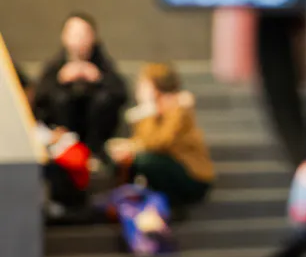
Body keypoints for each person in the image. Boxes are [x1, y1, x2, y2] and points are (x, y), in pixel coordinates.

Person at [107, 63, 215, 208]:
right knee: (122, 158)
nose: (138, 89)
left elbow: (160, 142)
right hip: (169, 165)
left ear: (155, 88)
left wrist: (150, 111)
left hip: (192, 175)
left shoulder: (178, 108)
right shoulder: (153, 110)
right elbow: (141, 140)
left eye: (143, 85)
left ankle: (171, 205)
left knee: (145, 161)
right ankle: (130, 205)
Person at [31, 13, 128, 157]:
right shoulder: (55, 66)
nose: (78, 39)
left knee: (103, 99)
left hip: (96, 138)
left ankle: (94, 154)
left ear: (93, 37)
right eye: (74, 34)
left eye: (83, 34)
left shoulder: (103, 65)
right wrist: (61, 79)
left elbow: (121, 93)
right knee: (60, 98)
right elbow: (39, 97)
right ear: (64, 36)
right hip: (61, 138)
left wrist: (98, 79)